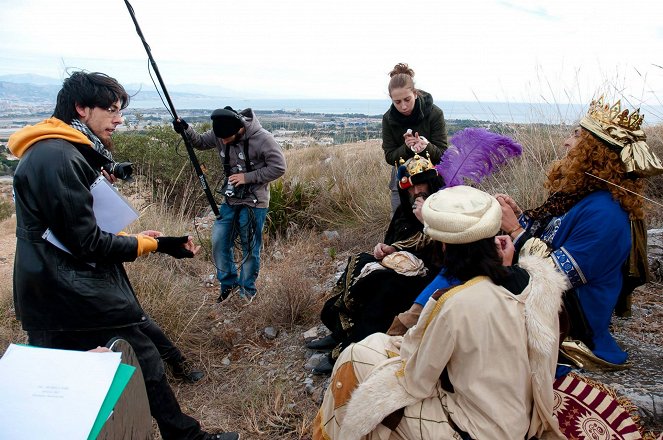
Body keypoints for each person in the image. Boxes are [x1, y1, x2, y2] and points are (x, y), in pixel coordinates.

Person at [9, 71, 239, 440]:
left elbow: (73, 230)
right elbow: (87, 243)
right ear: (82, 108)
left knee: (68, 382)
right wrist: (157, 245)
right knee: (142, 357)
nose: (119, 119)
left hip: (57, 290)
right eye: (112, 110)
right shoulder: (58, 157)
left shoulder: (61, 151)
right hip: (73, 291)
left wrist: (132, 237)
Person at [313, 185, 566, 440]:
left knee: (356, 359)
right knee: (372, 347)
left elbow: (417, 379)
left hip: (477, 429)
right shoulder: (540, 284)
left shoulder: (454, 303)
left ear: (445, 246)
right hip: (524, 415)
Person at [497, 96, 662, 371]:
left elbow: (551, 276)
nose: (566, 143)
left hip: (571, 317)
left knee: (474, 296)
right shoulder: (583, 195)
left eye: (577, 136)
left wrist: (515, 230)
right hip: (556, 301)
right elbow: (549, 235)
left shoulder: (606, 215)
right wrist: (518, 217)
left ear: (595, 152)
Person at [306, 153, 445, 374]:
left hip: (431, 273)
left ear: (432, 184)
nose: (417, 191)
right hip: (400, 263)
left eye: (422, 185)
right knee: (359, 262)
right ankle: (340, 331)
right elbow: (397, 241)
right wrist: (387, 248)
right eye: (412, 187)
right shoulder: (404, 210)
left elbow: (444, 252)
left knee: (385, 289)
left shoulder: (444, 208)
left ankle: (350, 349)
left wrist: (427, 220)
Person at [173, 107, 286, 303]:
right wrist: (185, 128)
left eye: (226, 139)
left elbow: (278, 167)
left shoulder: (263, 139)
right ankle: (228, 285)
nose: (222, 142)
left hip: (255, 202)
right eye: (221, 139)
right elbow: (199, 142)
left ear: (240, 129)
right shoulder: (221, 132)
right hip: (230, 200)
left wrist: (247, 177)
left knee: (249, 248)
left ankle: (247, 292)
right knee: (219, 242)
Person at [382, 63, 448, 214]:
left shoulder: (434, 113)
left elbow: (444, 154)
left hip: (433, 174)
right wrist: (406, 148)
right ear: (391, 100)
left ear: (415, 94)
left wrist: (427, 147)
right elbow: (389, 157)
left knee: (437, 217)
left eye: (407, 99)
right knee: (401, 218)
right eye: (397, 102)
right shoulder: (388, 119)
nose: (403, 106)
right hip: (403, 174)